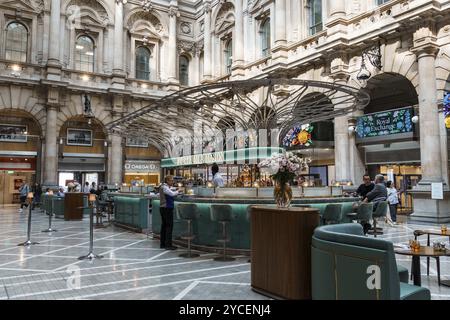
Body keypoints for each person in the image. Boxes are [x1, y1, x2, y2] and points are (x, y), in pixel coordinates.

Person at [159, 175, 180, 250]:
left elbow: (170, 189)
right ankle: (168, 245)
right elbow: (172, 194)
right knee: (169, 226)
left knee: (164, 226)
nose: (172, 181)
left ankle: (163, 244)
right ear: (167, 181)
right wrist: (178, 191)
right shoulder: (164, 187)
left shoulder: (164, 186)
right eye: (171, 180)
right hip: (167, 208)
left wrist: (175, 188)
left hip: (163, 208)